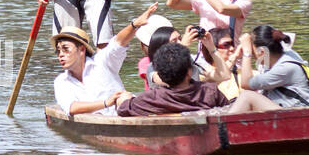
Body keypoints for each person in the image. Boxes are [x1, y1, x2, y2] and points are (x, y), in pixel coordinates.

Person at [52, 2, 160, 116]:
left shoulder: (101, 61)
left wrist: (134, 25)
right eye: (58, 50)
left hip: (123, 114)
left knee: (124, 98)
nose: (61, 54)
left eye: (65, 49)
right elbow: (71, 108)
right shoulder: (61, 81)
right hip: (95, 122)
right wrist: (106, 103)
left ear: (82, 50)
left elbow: (119, 42)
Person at [117, 43, 277, 116]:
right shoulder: (209, 90)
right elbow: (228, 107)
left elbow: (124, 109)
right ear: (189, 72)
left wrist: (124, 98)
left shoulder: (153, 97)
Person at [238, 25, 309, 108]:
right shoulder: (286, 54)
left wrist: (246, 52)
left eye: (253, 52)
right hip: (289, 110)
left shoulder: (285, 68)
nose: (253, 56)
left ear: (262, 52)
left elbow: (246, 84)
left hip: (300, 114)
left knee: (247, 96)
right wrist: (235, 56)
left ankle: (223, 121)